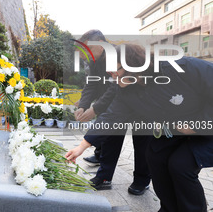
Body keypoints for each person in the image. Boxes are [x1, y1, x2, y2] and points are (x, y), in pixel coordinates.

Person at [66, 43, 213, 212]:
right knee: (155, 156)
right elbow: (111, 117)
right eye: (109, 72)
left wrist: (199, 124)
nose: (113, 76)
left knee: (180, 165)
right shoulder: (127, 90)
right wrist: (82, 146)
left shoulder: (180, 67)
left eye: (116, 71)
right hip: (177, 131)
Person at [73, 30, 151, 194]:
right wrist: (84, 105)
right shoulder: (94, 61)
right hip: (116, 104)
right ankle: (104, 177)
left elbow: (114, 86)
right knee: (110, 139)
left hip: (140, 105)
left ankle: (141, 180)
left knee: (142, 141)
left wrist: (95, 108)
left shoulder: (123, 55)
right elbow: (92, 84)